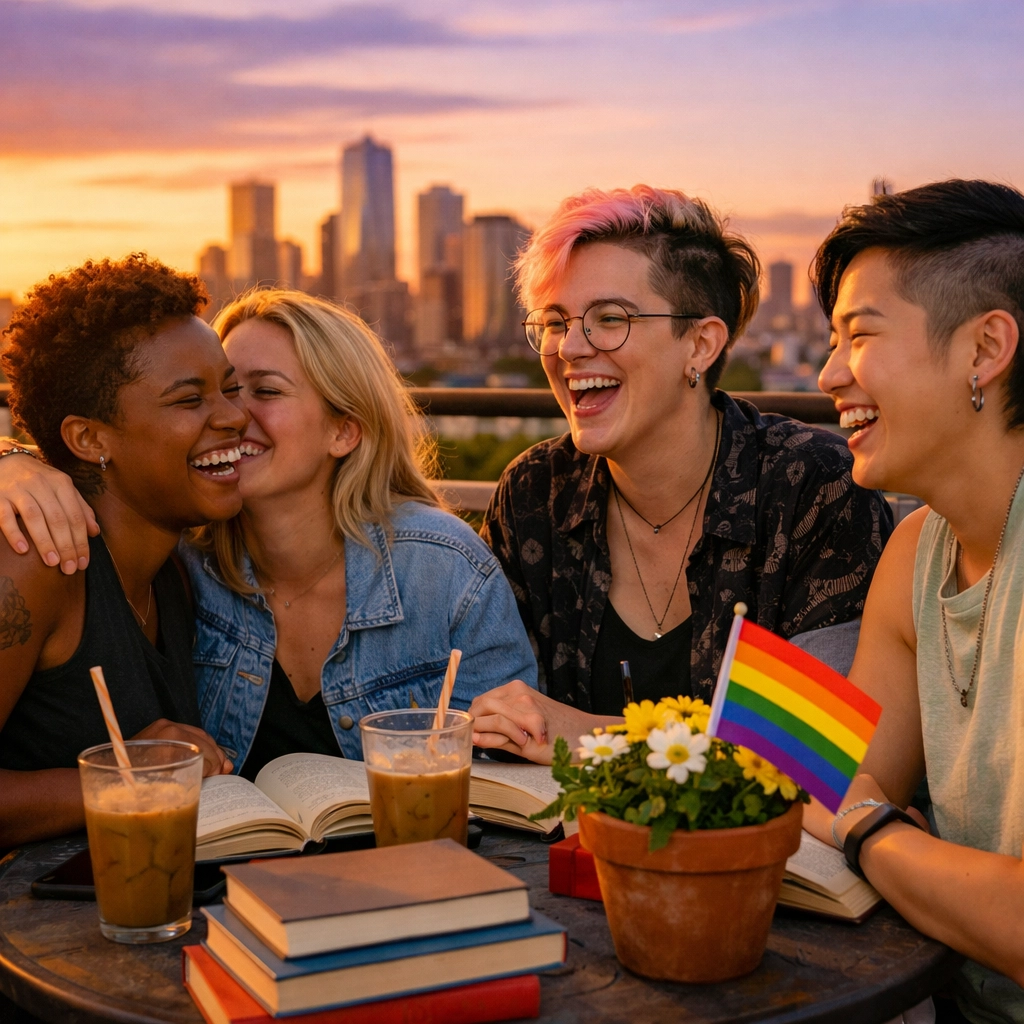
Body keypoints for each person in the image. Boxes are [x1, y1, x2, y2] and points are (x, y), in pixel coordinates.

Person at [0, 290, 537, 777]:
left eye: (261, 391)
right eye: (205, 395)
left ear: (344, 430)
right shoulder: (178, 560)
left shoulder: (443, 569)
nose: (234, 414)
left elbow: (509, 774)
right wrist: (11, 458)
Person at [469, 185, 893, 763]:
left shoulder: (810, 486)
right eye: (554, 321)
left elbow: (817, 752)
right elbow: (499, 718)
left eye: (608, 318)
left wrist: (590, 738)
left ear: (700, 344)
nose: (569, 347)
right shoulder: (534, 492)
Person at [804, 179, 1024, 1022]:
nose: (827, 375)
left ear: (985, 348)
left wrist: (873, 834)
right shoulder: (913, 549)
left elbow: (849, 814)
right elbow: (838, 783)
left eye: (859, 335)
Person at [0, 254, 239, 847]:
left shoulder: (175, 571)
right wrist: (129, 775)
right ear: (89, 438)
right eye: (190, 401)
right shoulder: (37, 563)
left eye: (230, 389)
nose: (234, 417)